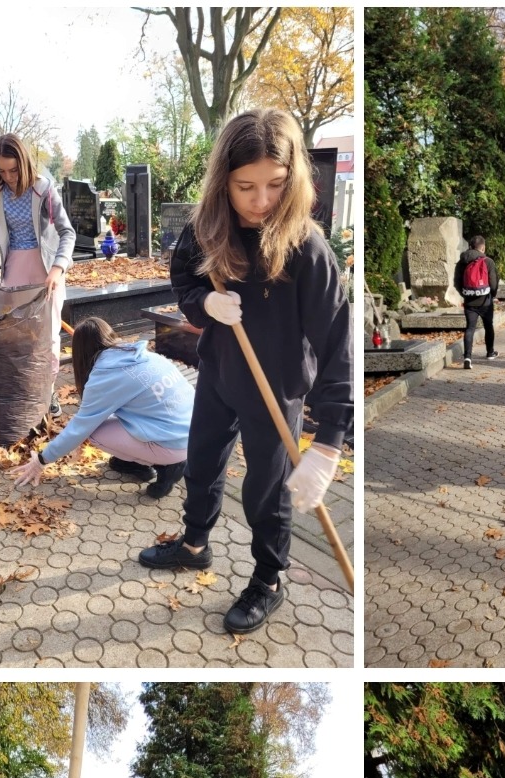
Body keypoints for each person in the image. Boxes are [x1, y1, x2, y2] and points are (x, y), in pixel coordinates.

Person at [138, 109, 352, 636]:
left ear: (294, 178)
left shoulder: (308, 249)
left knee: (266, 489)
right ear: (224, 183)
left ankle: (269, 579)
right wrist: (205, 305)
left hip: (275, 387)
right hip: (219, 369)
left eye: (275, 185)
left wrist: (328, 443)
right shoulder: (208, 229)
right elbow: (183, 279)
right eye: (245, 186)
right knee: (203, 462)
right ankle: (194, 543)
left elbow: (337, 346)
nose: (260, 201)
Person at [0, 133, 76, 415]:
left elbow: (67, 232)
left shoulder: (44, 189)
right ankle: (24, 388)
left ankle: (46, 392)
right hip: (14, 271)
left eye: (13, 170)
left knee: (47, 336)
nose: (8, 176)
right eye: (1, 171)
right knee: (17, 335)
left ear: (23, 162)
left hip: (47, 271)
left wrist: (59, 268)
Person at [12, 317, 191, 499]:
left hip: (174, 445)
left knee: (95, 432)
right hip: (195, 434)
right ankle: (134, 462)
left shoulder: (106, 375)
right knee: (114, 414)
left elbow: (80, 427)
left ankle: (164, 466)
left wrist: (42, 460)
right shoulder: (146, 356)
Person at [454, 234, 499, 370]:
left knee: (470, 328)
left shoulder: (462, 261)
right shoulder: (488, 261)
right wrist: (492, 295)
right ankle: (490, 352)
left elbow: (457, 282)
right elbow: (493, 282)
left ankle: (468, 356)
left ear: (470, 247)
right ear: (483, 247)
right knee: (488, 326)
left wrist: (465, 294)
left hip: (469, 302)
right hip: (485, 301)